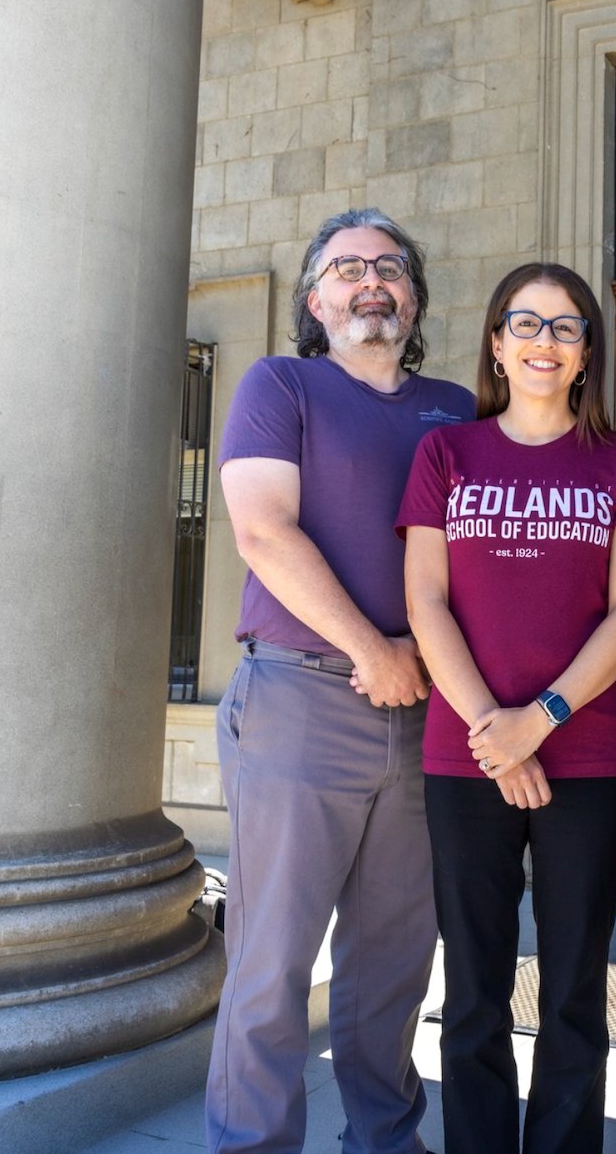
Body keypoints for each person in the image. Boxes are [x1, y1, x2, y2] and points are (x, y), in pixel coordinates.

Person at [205, 208, 475, 1154]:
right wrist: (374, 650)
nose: (371, 283)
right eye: (347, 268)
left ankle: (386, 1143)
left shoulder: (458, 406)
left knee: (394, 965)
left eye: (390, 267)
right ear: (315, 300)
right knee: (271, 962)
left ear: (415, 297)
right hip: (303, 700)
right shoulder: (282, 384)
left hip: (430, 717)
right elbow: (262, 530)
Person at [397, 263, 616, 1154]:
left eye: (565, 326)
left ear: (587, 353)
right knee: (474, 989)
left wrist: (537, 721)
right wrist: (496, 735)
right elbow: (426, 602)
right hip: (465, 755)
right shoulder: (447, 454)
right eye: (526, 323)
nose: (545, 341)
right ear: (497, 345)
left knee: (576, 989)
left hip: (586, 755)